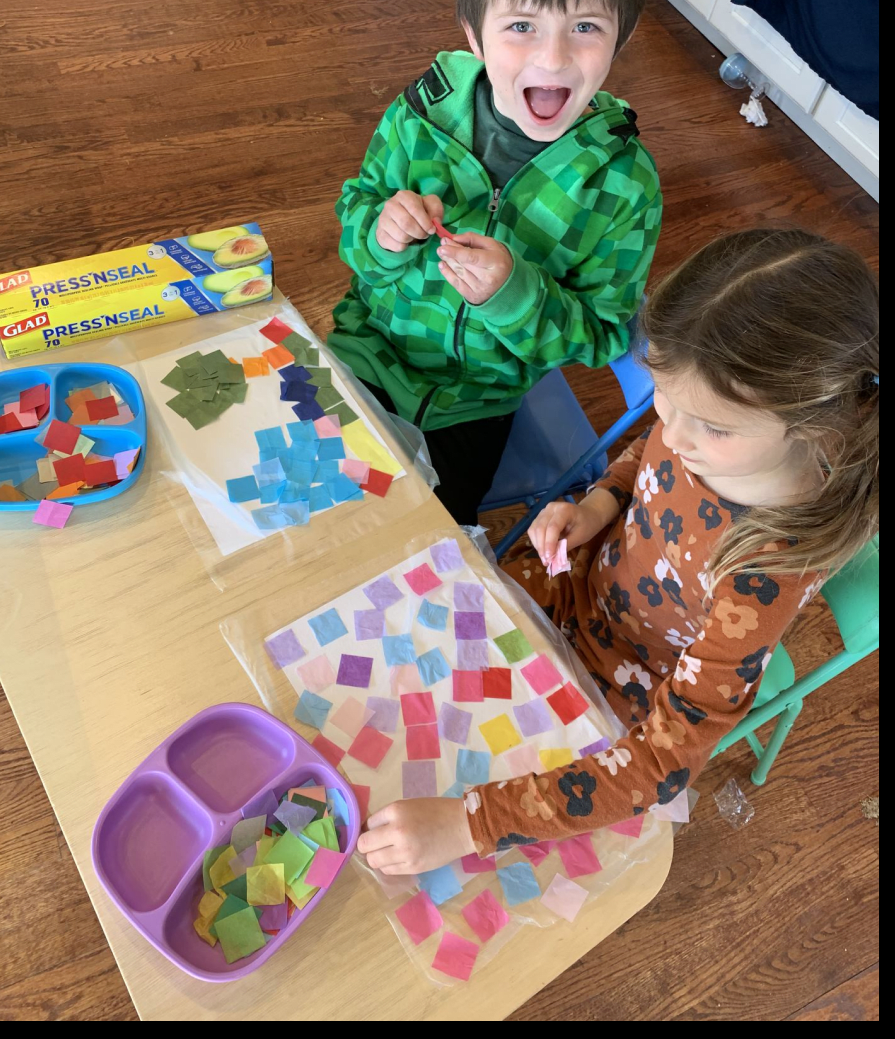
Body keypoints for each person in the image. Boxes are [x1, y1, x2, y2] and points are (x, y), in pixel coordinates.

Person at [356, 228, 879, 873]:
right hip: (569, 585)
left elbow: (660, 766)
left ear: (814, 423)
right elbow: (648, 456)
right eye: (663, 396)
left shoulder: (767, 568)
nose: (674, 430)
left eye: (711, 426)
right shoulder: (699, 421)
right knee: (398, 680)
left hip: (625, 691)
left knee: (466, 797)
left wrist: (471, 825)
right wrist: (598, 505)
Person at [326, 0, 662, 525]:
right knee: (289, 501)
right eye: (520, 26)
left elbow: (599, 334)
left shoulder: (624, 185)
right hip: (366, 353)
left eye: (586, 26)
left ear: (621, 37)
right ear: (473, 36)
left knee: (410, 546)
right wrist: (379, 234)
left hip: (477, 403)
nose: (554, 57)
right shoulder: (420, 113)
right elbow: (355, 212)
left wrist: (516, 293)